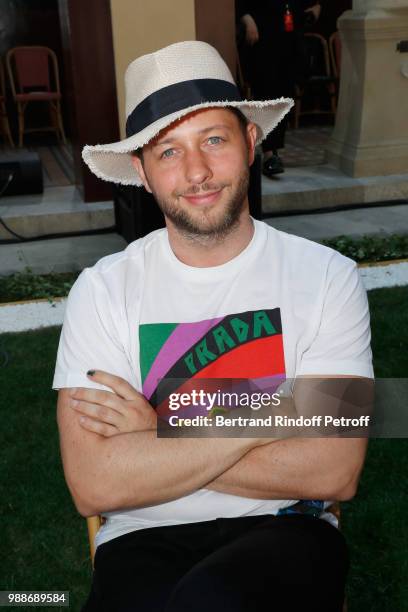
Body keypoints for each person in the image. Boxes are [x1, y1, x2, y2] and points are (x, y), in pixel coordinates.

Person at [53, 41, 374, 611]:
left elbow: (334, 468)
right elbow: (95, 484)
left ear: (251, 143)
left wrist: (157, 427)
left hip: (288, 529)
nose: (196, 172)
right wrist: (278, 413)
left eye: (214, 140)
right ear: (142, 172)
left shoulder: (327, 278)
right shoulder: (102, 291)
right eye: (168, 152)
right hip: (140, 536)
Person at [236, 0, 322, 177]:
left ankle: (274, 151)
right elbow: (240, 5)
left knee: (285, 96)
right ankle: (269, 153)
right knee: (268, 95)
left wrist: (315, 9)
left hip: (289, 44)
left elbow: (314, 5)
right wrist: (248, 20)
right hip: (263, 42)